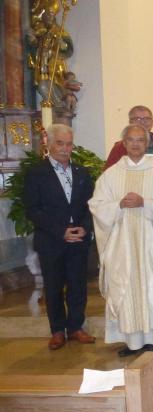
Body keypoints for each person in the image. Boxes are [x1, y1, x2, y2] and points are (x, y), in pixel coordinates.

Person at [89, 124, 153, 357]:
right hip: (123, 247)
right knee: (125, 288)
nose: (136, 144)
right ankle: (133, 343)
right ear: (123, 143)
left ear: (148, 142)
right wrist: (117, 204)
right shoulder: (110, 175)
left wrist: (145, 203)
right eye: (131, 140)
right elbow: (97, 206)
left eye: (141, 140)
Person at [24, 124, 96, 350]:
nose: (65, 149)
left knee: (77, 285)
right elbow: (33, 209)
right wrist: (60, 231)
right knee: (53, 287)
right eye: (60, 143)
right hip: (51, 241)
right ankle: (57, 331)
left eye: (69, 144)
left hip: (78, 239)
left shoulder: (82, 173)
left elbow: (91, 204)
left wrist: (84, 228)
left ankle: (75, 327)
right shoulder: (36, 174)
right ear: (49, 143)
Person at [105, 105, 153, 169]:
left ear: (152, 122)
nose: (142, 122)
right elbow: (108, 173)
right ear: (130, 122)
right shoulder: (119, 148)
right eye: (137, 119)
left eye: (147, 118)